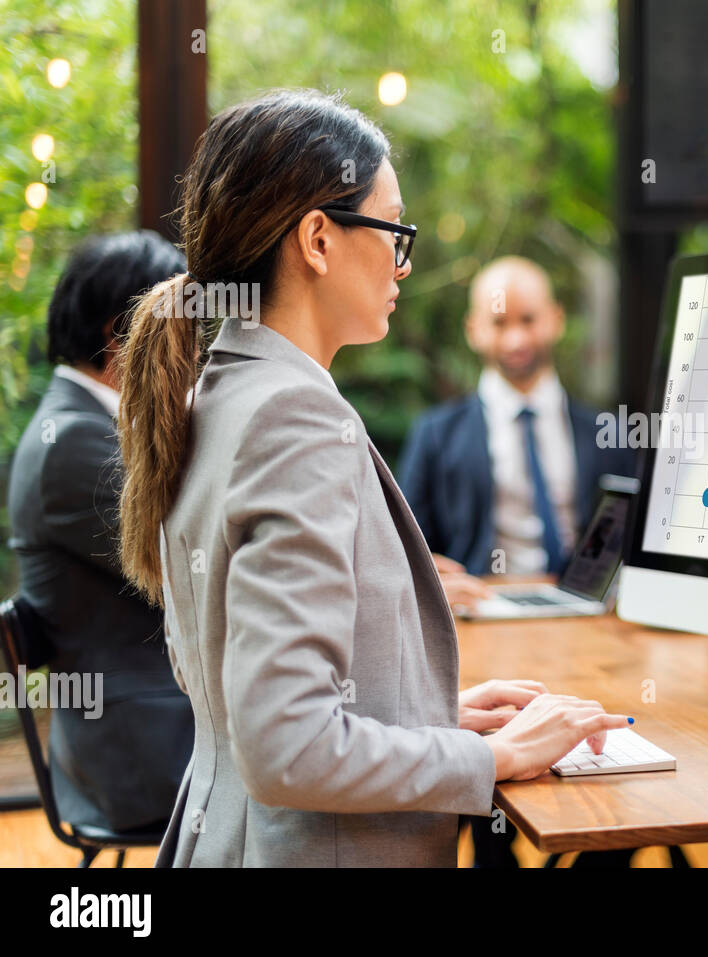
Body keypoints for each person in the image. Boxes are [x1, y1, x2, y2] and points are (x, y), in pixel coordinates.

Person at [113, 88, 630, 868]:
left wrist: (426, 716)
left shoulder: (215, 395)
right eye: (394, 231)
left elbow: (237, 692)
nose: (404, 260)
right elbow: (286, 744)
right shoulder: (294, 417)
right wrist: (491, 760)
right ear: (317, 238)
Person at [6, 231, 194, 834]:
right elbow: (201, 564)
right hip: (143, 751)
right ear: (122, 334)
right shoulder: (74, 444)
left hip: (149, 726)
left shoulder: (83, 425)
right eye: (183, 329)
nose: (195, 351)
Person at [398, 256, 637, 589]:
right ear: (473, 330)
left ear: (556, 319)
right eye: (499, 323)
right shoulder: (435, 435)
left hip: (583, 611)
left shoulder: (607, 433)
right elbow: (406, 547)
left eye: (528, 320)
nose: (516, 340)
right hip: (478, 612)